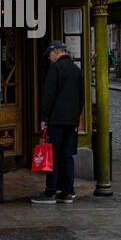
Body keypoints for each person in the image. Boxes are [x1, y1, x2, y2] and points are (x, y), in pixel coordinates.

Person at [32, 41, 84, 204]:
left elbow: (49, 96)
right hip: (72, 121)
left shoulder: (55, 69)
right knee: (67, 156)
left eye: (49, 54)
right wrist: (76, 117)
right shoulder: (76, 69)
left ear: (55, 52)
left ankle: (50, 193)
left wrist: (44, 118)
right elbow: (81, 97)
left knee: (52, 156)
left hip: (56, 119)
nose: (49, 58)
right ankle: (68, 192)